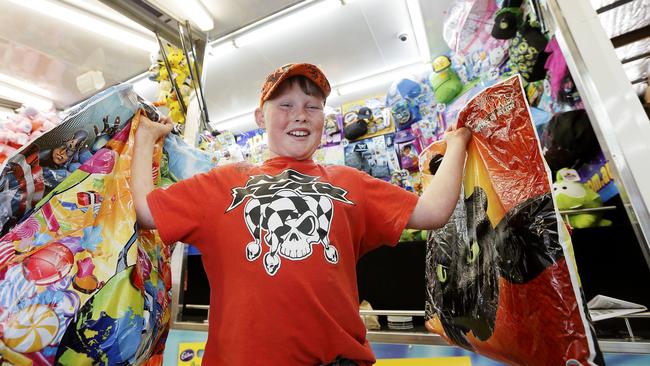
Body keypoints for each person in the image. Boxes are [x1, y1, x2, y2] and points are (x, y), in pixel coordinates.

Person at [131, 63, 470, 365]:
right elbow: (146, 212)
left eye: (313, 106)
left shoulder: (351, 183)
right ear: (260, 117)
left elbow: (432, 211)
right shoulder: (220, 183)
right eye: (286, 105)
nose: (301, 114)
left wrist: (457, 142)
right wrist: (146, 138)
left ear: (324, 117)